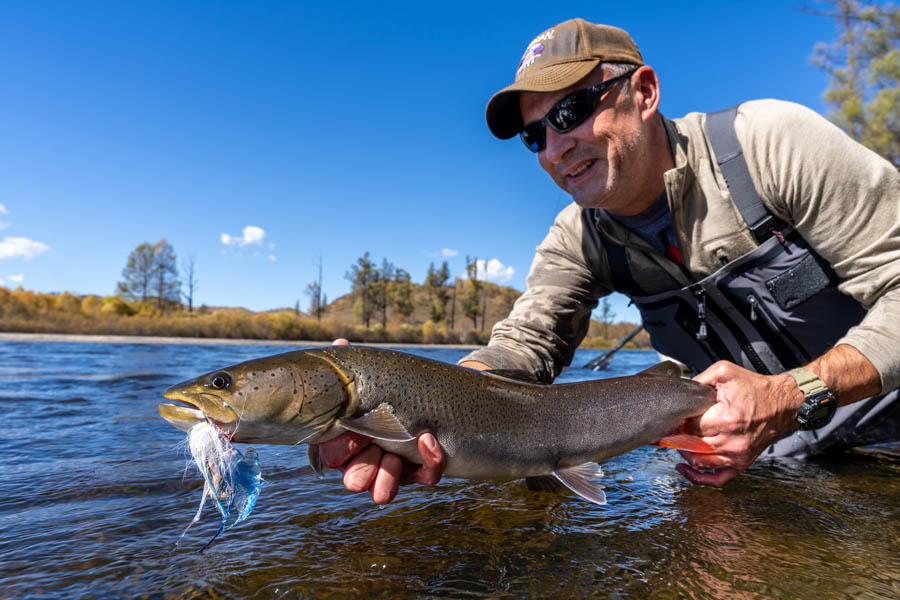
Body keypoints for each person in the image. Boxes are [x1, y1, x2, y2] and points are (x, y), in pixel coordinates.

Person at [320, 18, 900, 504]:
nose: (553, 148)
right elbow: (524, 348)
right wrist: (409, 401)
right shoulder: (577, 237)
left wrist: (789, 395)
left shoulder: (770, 147)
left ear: (644, 92)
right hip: (754, 465)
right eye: (534, 136)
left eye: (571, 111)